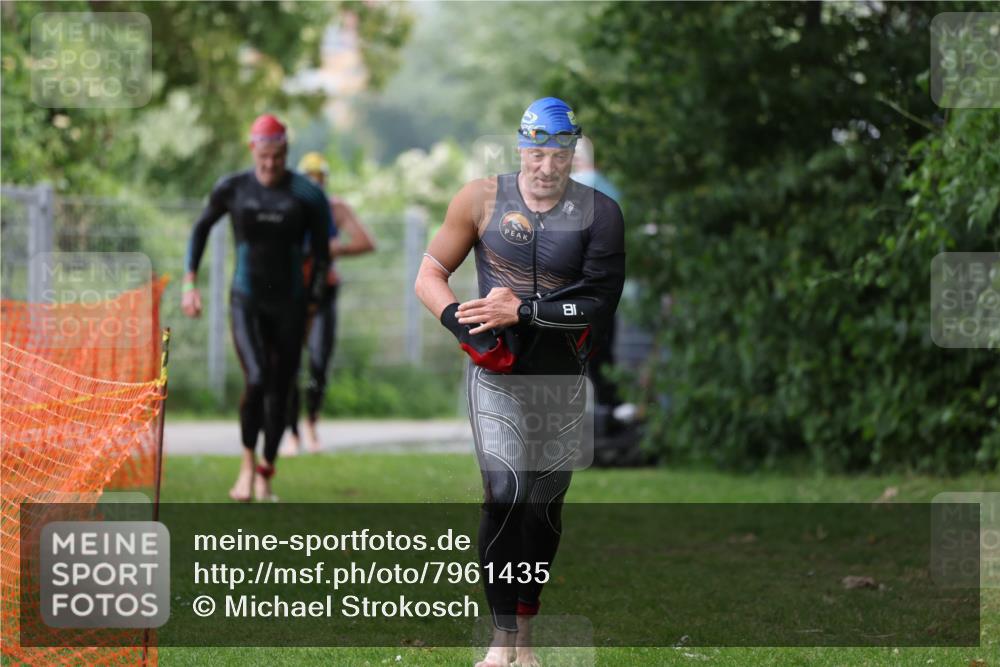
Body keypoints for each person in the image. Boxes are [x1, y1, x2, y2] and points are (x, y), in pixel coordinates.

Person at [414, 97, 625, 667]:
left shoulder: (601, 214)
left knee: (544, 508)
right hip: (498, 376)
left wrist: (523, 312)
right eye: (536, 152)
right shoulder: (480, 199)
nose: (546, 166)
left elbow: (598, 306)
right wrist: (458, 320)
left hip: (561, 376)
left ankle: (525, 637)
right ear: (520, 148)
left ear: (572, 150)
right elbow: (430, 273)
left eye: (558, 153)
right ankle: (499, 640)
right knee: (505, 493)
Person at [181, 114, 332, 502]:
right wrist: (189, 283)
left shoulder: (308, 195)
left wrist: (313, 303)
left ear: (287, 152)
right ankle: (247, 465)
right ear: (253, 150)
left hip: (291, 304)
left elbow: (320, 256)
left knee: (281, 390)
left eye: (278, 157)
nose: (270, 166)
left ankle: (266, 471)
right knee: (257, 380)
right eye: (264, 157)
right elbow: (201, 228)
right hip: (246, 299)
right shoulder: (233, 189)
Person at [284, 152, 376, 455]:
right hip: (293, 293)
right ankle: (292, 433)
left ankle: (311, 422)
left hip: (324, 290)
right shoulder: (289, 207)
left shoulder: (335, 208)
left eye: (319, 179)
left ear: (325, 180)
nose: (314, 184)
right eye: (308, 180)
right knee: (290, 364)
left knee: (319, 362)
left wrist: (337, 249)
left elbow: (366, 242)